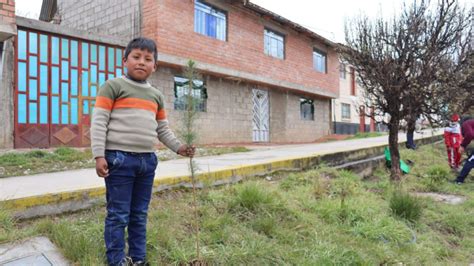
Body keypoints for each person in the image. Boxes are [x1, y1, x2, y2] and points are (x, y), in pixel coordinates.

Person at [91, 37, 195, 266]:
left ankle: (138, 259)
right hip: (119, 160)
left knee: (139, 214)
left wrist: (179, 147)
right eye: (136, 57)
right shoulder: (113, 86)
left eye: (148, 59)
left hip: (147, 162)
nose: (141, 62)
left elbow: (162, 129)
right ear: (124, 61)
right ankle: (116, 261)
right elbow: (99, 121)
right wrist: (99, 155)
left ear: (155, 66)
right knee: (118, 215)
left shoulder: (156, 95)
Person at [453, 118, 474, 184]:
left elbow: (470, 135)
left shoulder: (466, 123)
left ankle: (459, 181)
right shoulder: (471, 123)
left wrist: (462, 146)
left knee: (470, 161)